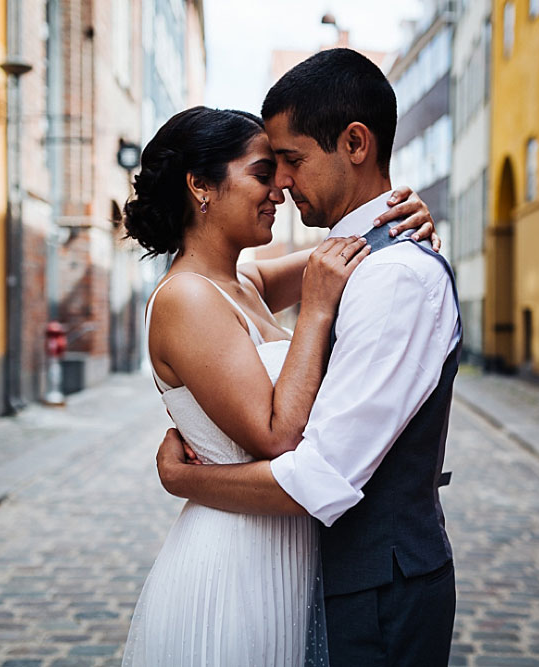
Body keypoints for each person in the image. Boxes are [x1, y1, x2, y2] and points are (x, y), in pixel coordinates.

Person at [155, 48, 462, 666]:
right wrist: (335, 287)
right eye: (266, 171)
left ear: (355, 143)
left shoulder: (380, 277)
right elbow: (281, 430)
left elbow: (316, 475)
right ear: (201, 187)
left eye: (289, 162)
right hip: (262, 562)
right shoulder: (200, 294)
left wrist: (184, 477)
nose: (281, 186)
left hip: (364, 582)